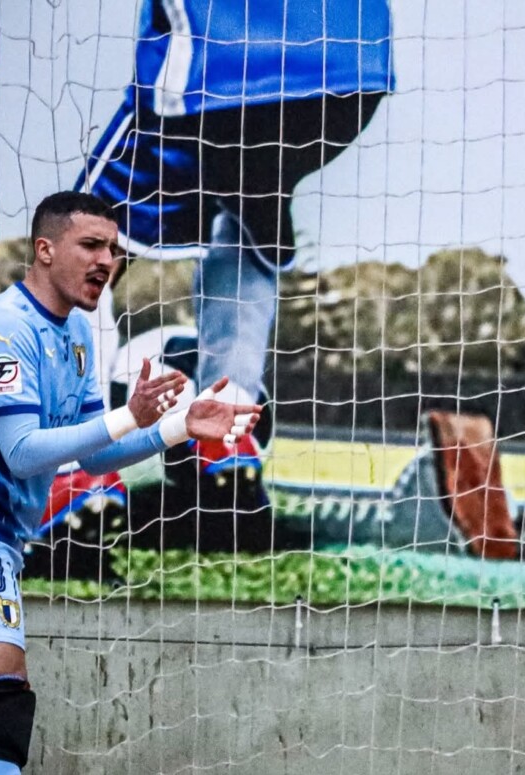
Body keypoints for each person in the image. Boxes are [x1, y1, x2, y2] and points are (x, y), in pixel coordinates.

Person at [0, 192, 262, 775]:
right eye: (90, 245)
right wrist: (127, 415)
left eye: (113, 250)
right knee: (4, 698)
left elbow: (95, 458)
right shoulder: (4, 329)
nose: (105, 260)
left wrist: (175, 427)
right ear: (44, 250)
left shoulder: (77, 336)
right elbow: (21, 454)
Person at [76, 0, 394, 508]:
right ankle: (228, 433)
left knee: (81, 236)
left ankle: (76, 466)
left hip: (222, 54)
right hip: (351, 68)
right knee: (249, 205)